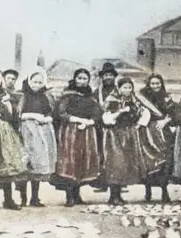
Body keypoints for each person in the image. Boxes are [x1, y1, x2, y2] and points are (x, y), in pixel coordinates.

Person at [51, 69, 103, 207]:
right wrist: (76, 119)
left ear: (88, 80)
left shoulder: (91, 97)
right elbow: (61, 112)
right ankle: (69, 196)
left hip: (86, 132)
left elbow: (97, 113)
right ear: (75, 79)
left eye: (85, 78)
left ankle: (77, 194)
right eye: (79, 78)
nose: (82, 81)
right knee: (70, 162)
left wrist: (90, 121)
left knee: (82, 162)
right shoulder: (67, 95)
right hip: (70, 132)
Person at [101, 78, 150, 205]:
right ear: (119, 88)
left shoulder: (134, 100)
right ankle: (113, 196)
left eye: (129, 87)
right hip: (115, 134)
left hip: (129, 134)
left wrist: (139, 125)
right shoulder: (112, 100)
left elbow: (144, 112)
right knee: (116, 164)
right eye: (124, 87)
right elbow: (107, 119)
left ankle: (119, 196)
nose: (127, 90)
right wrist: (121, 111)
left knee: (125, 165)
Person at [15, 70, 57, 207]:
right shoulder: (22, 95)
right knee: (26, 164)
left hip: (41, 133)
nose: (37, 85)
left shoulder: (45, 97)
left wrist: (46, 118)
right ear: (29, 81)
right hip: (26, 131)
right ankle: (23, 197)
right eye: (34, 82)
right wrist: (32, 116)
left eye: (40, 82)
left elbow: (51, 112)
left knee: (37, 165)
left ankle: (35, 197)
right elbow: (17, 114)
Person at [136, 74, 175, 203]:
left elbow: (174, 112)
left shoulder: (166, 97)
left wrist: (165, 121)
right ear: (148, 84)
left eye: (158, 83)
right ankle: (148, 191)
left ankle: (164, 191)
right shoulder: (142, 97)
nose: (155, 86)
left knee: (164, 160)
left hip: (163, 130)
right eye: (153, 83)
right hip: (147, 132)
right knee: (149, 160)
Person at [0, 69, 28, 210]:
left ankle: (8, 199)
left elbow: (13, 117)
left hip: (3, 132)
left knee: (6, 163)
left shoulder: (6, 95)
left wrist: (8, 105)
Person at [92, 62, 119, 194]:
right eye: (106, 75)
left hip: (116, 128)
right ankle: (102, 182)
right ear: (102, 77)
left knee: (115, 155)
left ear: (114, 77)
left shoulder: (119, 91)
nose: (108, 78)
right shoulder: (97, 92)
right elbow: (93, 107)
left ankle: (117, 183)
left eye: (110, 75)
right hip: (100, 127)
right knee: (101, 154)